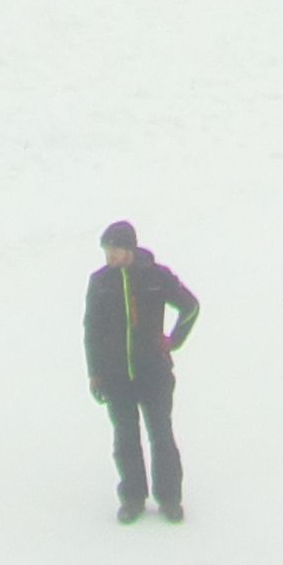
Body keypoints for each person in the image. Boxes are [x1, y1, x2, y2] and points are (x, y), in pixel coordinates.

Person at [82, 218, 198, 524]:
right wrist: (95, 373)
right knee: (125, 438)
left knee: (161, 434)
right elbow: (91, 330)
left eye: (115, 250)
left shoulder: (156, 276)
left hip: (154, 373)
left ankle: (169, 499)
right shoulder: (100, 282)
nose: (110, 256)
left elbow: (190, 306)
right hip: (116, 377)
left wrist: (173, 340)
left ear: (129, 249)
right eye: (106, 251)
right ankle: (132, 498)